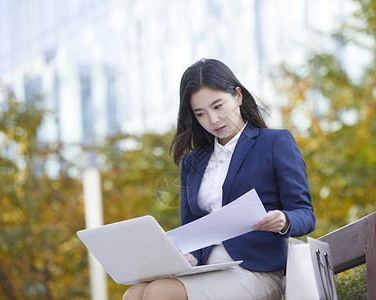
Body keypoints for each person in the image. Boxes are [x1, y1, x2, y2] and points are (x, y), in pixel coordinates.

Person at [123, 58, 315, 300]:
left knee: (159, 293)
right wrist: (186, 256)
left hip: (256, 271)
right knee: (134, 294)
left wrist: (284, 220)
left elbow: (305, 214)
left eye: (218, 106)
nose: (212, 120)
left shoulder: (275, 143)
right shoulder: (192, 162)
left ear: (237, 96)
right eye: (201, 114)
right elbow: (191, 230)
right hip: (206, 269)